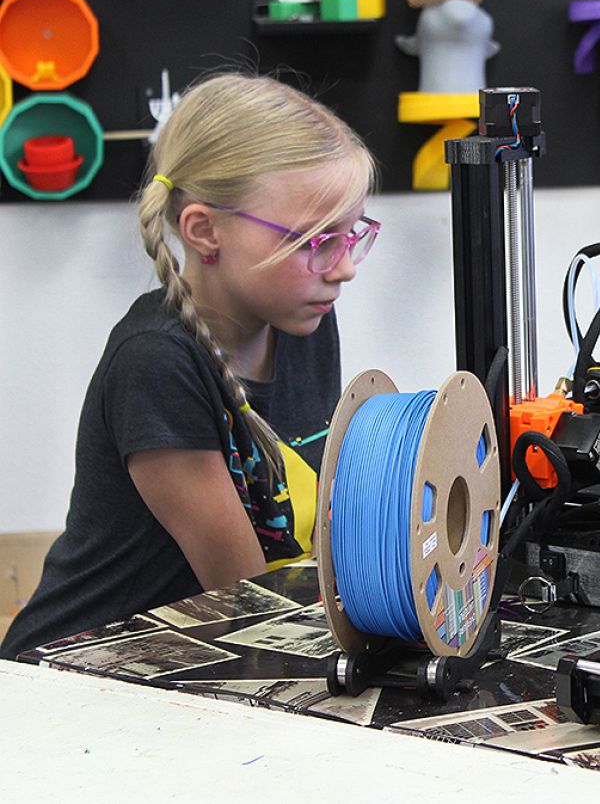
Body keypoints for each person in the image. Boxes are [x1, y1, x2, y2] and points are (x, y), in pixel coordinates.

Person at [1, 72, 379, 660]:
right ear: (204, 230)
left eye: (350, 234)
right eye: (313, 240)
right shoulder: (156, 363)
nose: (345, 267)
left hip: (201, 654)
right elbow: (247, 600)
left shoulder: (303, 320)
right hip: (77, 671)